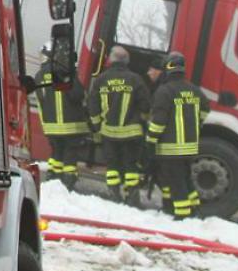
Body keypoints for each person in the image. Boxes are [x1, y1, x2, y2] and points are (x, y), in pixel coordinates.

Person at [146, 51, 209, 219]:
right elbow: (205, 109)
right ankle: (194, 208)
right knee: (185, 179)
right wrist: (197, 124)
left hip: (170, 148)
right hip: (189, 146)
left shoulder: (164, 91)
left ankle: (182, 215)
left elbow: (158, 122)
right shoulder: (194, 90)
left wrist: (150, 140)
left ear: (167, 67)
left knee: (176, 182)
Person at [88, 45, 151, 205]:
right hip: (132, 133)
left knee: (112, 165)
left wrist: (97, 126)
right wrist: (141, 120)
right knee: (131, 165)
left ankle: (114, 194)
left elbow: (93, 105)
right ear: (127, 62)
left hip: (109, 133)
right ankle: (131, 196)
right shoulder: (136, 79)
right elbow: (145, 106)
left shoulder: (101, 79)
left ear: (110, 59)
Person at [33, 41, 89, 190]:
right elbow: (77, 95)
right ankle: (68, 183)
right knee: (70, 156)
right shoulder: (65, 72)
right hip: (71, 127)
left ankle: (53, 179)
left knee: (56, 154)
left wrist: (46, 126)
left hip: (52, 127)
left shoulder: (39, 76)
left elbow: (40, 102)